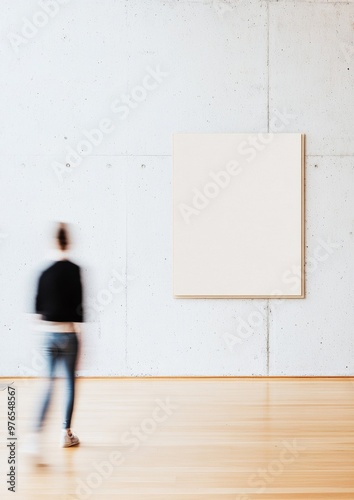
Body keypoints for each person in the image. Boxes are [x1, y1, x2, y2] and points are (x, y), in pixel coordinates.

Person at [32, 222, 84, 449]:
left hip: (49, 335)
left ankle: (35, 436)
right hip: (69, 334)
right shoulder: (75, 270)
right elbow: (80, 311)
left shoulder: (44, 273)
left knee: (49, 384)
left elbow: (38, 312)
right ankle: (66, 433)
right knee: (70, 384)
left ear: (54, 242)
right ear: (68, 242)